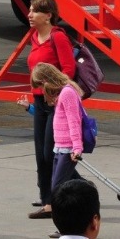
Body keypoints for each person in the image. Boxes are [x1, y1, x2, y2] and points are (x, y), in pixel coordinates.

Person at [24, 0, 76, 219]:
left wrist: (53, 92)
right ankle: (49, 200)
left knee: (50, 154)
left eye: (34, 11)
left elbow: (68, 71)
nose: (29, 15)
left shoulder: (58, 38)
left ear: (48, 15)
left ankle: (66, 193)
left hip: (55, 103)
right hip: (39, 101)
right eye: (30, 10)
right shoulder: (35, 37)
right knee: (40, 154)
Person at [33, 63, 85, 197]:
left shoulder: (67, 93)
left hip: (68, 148)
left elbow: (74, 121)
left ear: (46, 80)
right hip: (60, 147)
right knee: (59, 186)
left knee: (57, 189)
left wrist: (77, 147)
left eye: (40, 86)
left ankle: (80, 203)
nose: (41, 90)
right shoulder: (62, 93)